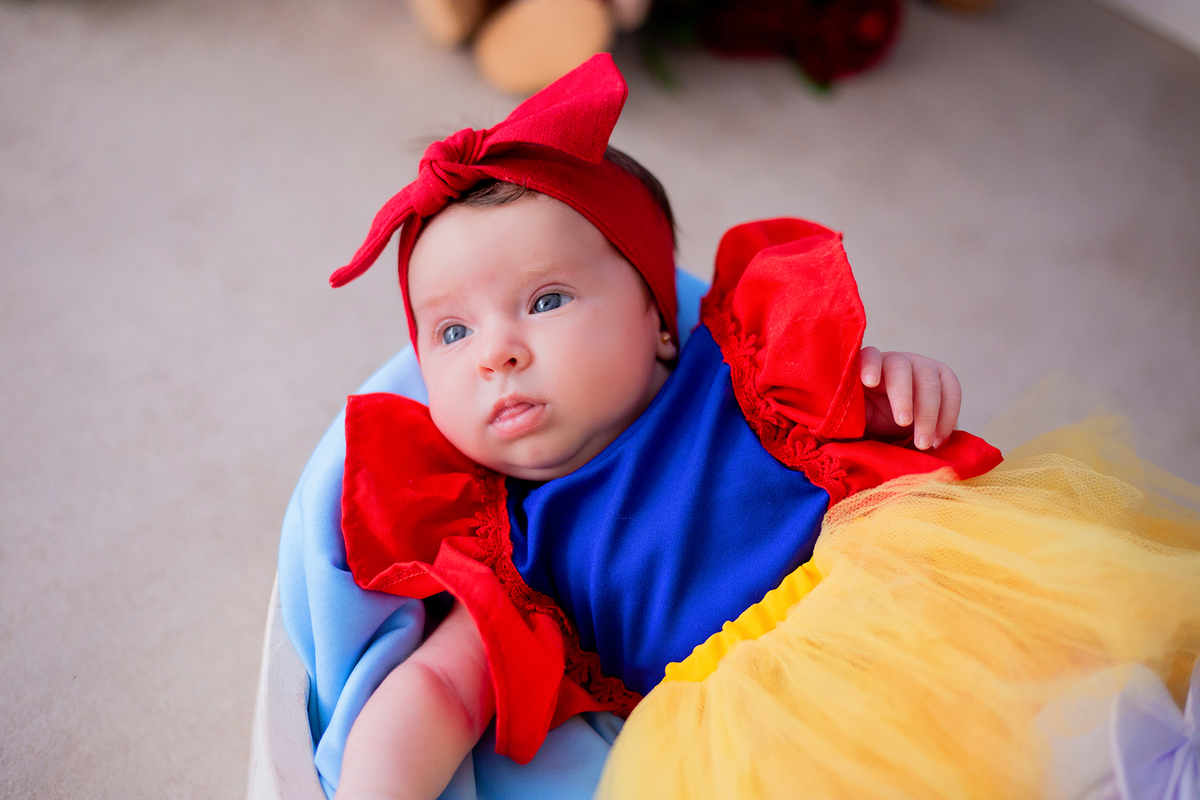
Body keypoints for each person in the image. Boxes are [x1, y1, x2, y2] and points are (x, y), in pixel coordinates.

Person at [324, 55, 1200, 800]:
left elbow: (872, 430)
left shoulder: (744, 363)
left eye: (545, 300)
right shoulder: (505, 545)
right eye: (451, 332)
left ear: (660, 315)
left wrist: (898, 386)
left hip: (904, 596)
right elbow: (439, 688)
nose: (496, 354)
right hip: (757, 729)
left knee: (1093, 692)